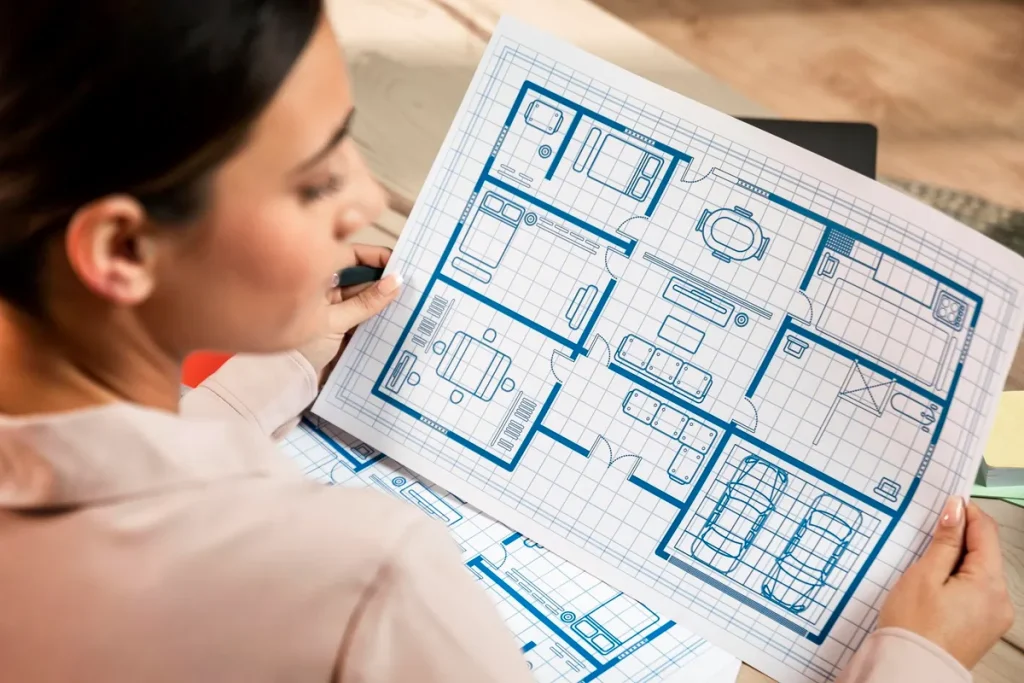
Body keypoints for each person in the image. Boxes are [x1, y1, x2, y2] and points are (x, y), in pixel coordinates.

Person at [0, 2, 1013, 681]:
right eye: (311, 179)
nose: (365, 199)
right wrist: (914, 659)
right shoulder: (371, 573)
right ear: (122, 246)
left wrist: (264, 371)